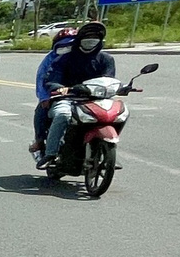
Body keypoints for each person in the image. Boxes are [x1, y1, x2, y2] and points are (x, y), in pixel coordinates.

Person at [40, 20, 117, 164]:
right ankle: (51, 153)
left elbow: (109, 79)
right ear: (80, 39)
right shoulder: (65, 58)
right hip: (68, 98)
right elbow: (51, 78)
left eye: (95, 36)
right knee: (63, 115)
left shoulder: (106, 59)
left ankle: (106, 151)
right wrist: (59, 87)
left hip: (96, 99)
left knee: (118, 114)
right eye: (88, 36)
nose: (91, 39)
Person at [30, 30, 74, 155]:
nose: (67, 48)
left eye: (70, 44)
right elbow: (42, 79)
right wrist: (45, 97)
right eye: (63, 45)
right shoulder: (50, 60)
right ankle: (39, 141)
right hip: (56, 94)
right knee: (41, 112)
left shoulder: (82, 57)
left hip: (82, 94)